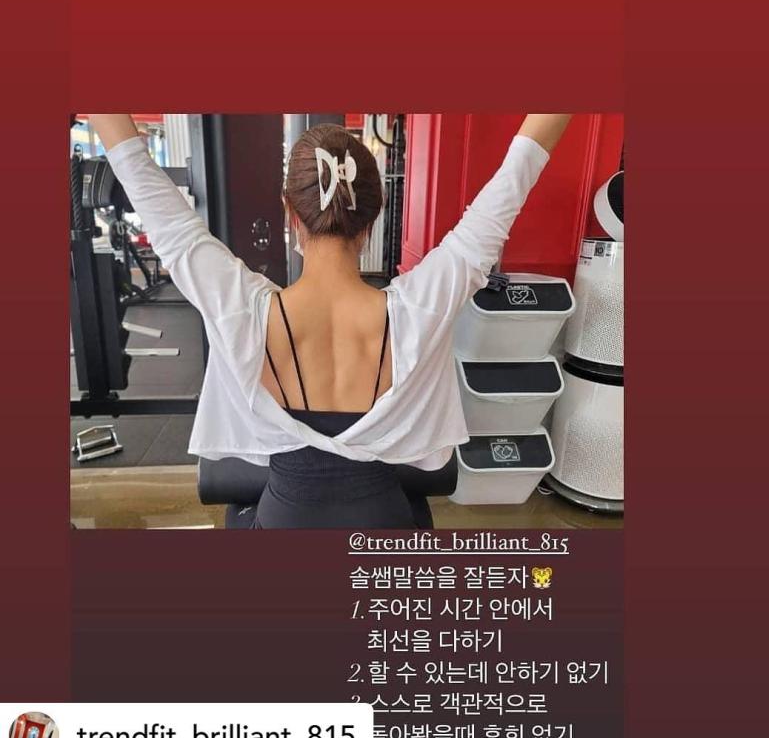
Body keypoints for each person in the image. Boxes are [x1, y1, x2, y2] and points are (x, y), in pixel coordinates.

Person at [88, 113, 571, 528]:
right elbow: (515, 176)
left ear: (289, 213)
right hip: (384, 524)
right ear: (373, 218)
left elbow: (149, 191)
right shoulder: (420, 309)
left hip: (284, 522)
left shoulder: (239, 308)